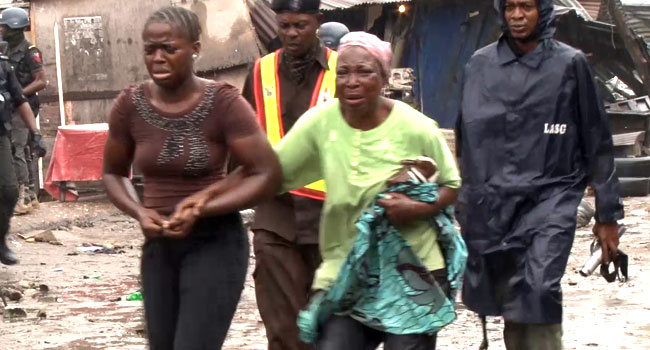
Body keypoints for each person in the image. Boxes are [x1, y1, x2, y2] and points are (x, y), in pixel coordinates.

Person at [178, 31, 462, 350]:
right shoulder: (322, 123)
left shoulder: (416, 127)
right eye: (343, 72)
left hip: (414, 271)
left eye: (364, 72)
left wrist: (416, 209)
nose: (352, 81)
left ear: (383, 78)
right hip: (349, 270)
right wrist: (206, 201)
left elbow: (450, 185)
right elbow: (267, 170)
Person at [102, 7, 280, 350]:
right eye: (150, 50)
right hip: (159, 246)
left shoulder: (223, 103)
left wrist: (203, 208)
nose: (158, 58)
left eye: (169, 49)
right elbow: (112, 173)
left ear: (195, 49)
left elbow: (266, 173)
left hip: (215, 243)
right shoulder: (130, 105)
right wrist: (140, 212)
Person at [456, 0, 624, 349]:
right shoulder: (480, 65)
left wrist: (607, 215)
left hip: (552, 197)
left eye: (527, 7)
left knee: (538, 286)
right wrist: (467, 202)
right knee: (505, 295)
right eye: (511, 7)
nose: (517, 16)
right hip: (494, 201)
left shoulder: (569, 64)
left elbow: (598, 140)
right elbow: (467, 139)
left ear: (543, 10)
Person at [240, 1, 337, 349]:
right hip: (276, 215)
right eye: (285, 26)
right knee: (282, 325)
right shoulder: (259, 71)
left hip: (332, 218)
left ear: (317, 23)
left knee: (331, 325)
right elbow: (242, 137)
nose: (292, 34)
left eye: (301, 25)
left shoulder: (345, 71)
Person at [0, 38, 46, 265]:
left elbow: (20, 99)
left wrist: (36, 133)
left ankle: (1, 240)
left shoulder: (3, 66)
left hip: (0, 135)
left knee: (9, 191)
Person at [0, 7, 47, 214]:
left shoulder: (30, 51)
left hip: (24, 106)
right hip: (13, 105)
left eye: (4, 26)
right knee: (24, 150)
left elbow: (41, 81)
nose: (1, 29)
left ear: (15, 28)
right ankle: (31, 194)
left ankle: (23, 198)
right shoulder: (5, 50)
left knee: (17, 149)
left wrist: (16, 95)